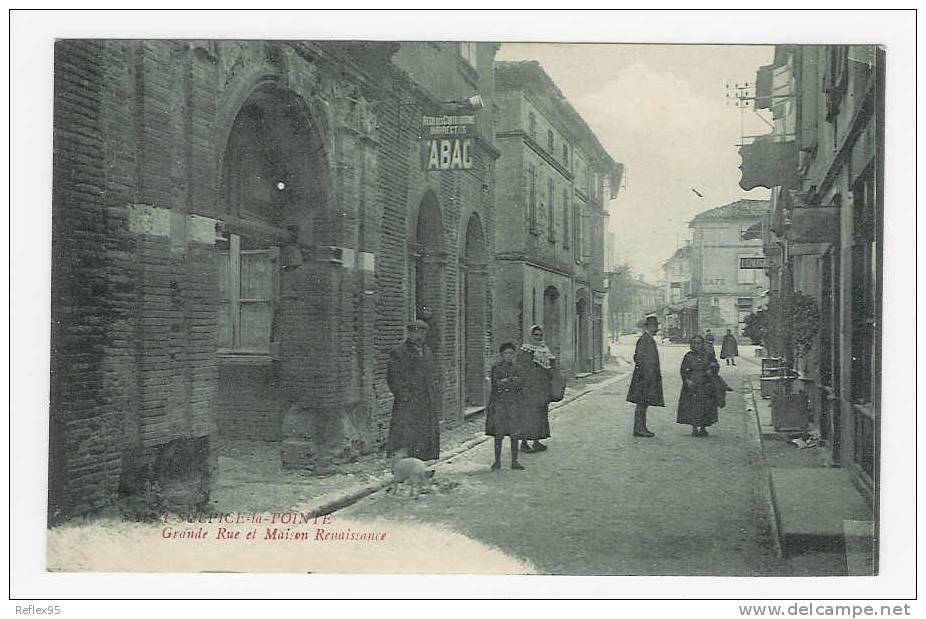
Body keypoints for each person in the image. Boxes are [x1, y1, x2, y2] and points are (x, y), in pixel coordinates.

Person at [386, 319, 441, 461]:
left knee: (426, 434)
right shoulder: (398, 352)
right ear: (409, 333)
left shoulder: (427, 351)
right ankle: (404, 466)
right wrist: (404, 396)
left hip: (426, 401)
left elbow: (432, 373)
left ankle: (424, 464)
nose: (420, 336)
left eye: (423, 333)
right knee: (406, 434)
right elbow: (394, 377)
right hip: (409, 402)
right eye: (416, 332)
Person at [486, 342, 526, 470]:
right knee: (499, 433)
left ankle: (514, 461)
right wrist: (511, 381)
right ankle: (497, 461)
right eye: (506, 353)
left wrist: (507, 381)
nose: (508, 356)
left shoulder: (518, 368)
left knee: (514, 432)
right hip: (499, 404)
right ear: (501, 355)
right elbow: (496, 384)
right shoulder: (496, 368)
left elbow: (521, 383)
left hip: (514, 403)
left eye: (511, 353)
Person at [516, 325, 555, 453]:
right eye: (535, 335)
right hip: (529, 388)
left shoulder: (544, 349)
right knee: (527, 415)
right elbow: (521, 368)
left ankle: (537, 441)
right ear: (530, 336)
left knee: (540, 414)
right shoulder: (525, 350)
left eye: (539, 335)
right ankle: (524, 443)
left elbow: (550, 368)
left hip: (542, 388)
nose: (538, 337)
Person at [625, 315, 664, 437]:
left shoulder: (647, 339)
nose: (657, 328)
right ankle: (639, 428)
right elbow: (641, 359)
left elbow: (637, 357)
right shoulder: (645, 340)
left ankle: (641, 427)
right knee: (642, 403)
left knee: (643, 403)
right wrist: (648, 377)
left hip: (645, 376)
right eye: (655, 326)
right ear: (649, 326)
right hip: (645, 378)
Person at [677, 335, 720, 437]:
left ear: (702, 344)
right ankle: (694, 427)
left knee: (705, 406)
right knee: (693, 406)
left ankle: (703, 427)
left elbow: (715, 365)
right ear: (691, 345)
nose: (697, 345)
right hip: (692, 384)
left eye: (699, 343)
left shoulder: (708, 355)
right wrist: (687, 380)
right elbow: (683, 370)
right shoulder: (688, 356)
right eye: (694, 343)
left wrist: (712, 369)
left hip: (705, 383)